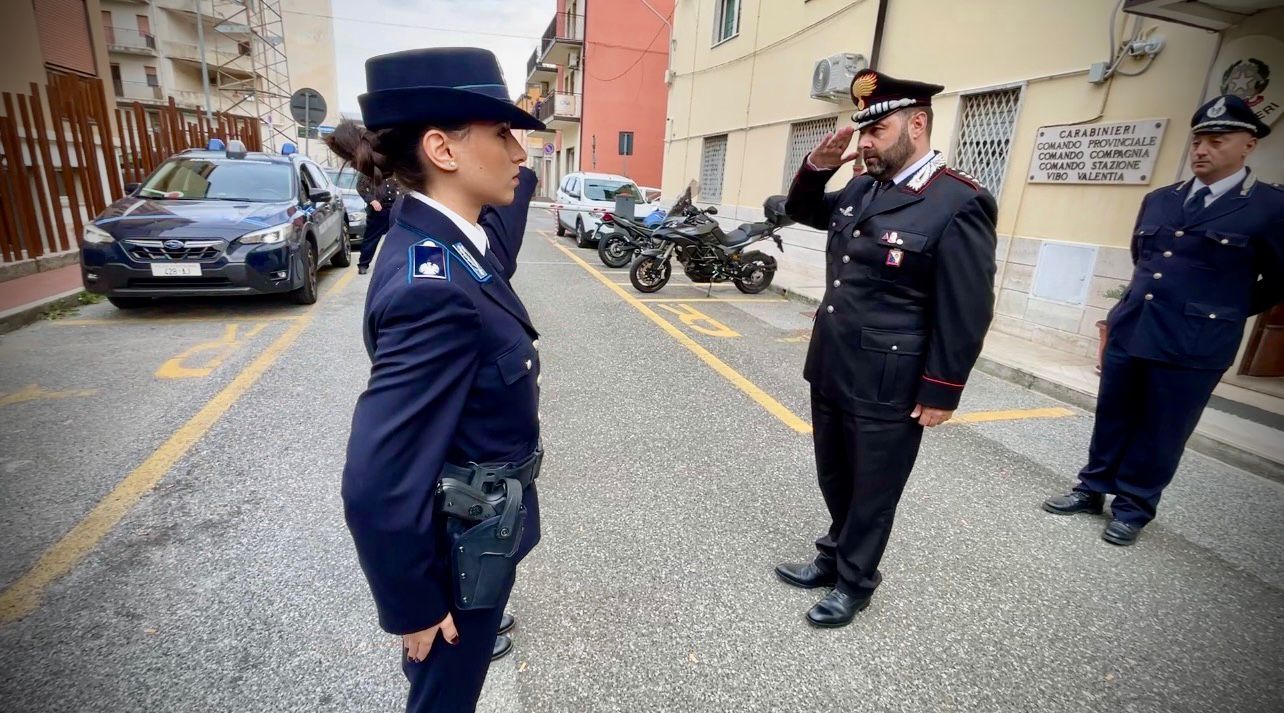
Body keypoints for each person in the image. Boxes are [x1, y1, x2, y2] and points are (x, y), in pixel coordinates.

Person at [329, 47, 546, 712]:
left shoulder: (446, 237)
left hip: (480, 533)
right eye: (502, 133)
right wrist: (413, 607)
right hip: (456, 559)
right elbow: (377, 476)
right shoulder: (436, 287)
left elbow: (498, 234)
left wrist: (510, 156)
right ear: (442, 150)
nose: (518, 151)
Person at [775, 69, 998, 628]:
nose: (865, 143)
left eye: (877, 130)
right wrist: (817, 167)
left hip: (890, 379)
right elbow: (803, 211)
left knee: (873, 488)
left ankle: (855, 582)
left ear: (917, 125)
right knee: (836, 474)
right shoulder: (863, 188)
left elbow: (966, 306)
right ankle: (833, 556)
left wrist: (943, 388)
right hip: (833, 363)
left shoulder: (957, 201)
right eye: (864, 131)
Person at [1043, 95, 1283, 545]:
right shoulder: (1161, 200)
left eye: (1217, 140)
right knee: (1113, 415)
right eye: (1197, 141)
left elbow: (1278, 280)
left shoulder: (1269, 207)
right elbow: (1143, 258)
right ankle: (1092, 489)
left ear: (1248, 145)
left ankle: (1134, 507)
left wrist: (1221, 310)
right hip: (1134, 327)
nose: (1202, 150)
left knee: (1163, 427)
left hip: (1196, 340)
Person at [356, 171, 403, 274]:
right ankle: (363, 264)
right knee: (371, 238)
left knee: (398, 238)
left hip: (395, 208)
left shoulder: (395, 165)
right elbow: (361, 187)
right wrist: (372, 200)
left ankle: (397, 264)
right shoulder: (370, 167)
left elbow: (405, 184)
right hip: (378, 209)